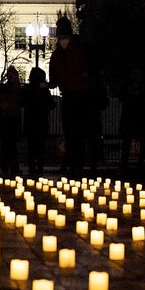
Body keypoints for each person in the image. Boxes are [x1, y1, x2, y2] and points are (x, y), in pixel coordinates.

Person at [48, 17, 100, 176]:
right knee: (71, 134)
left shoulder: (81, 50)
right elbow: (54, 78)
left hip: (84, 95)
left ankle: (89, 165)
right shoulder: (57, 55)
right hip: (69, 95)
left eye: (64, 37)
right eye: (60, 38)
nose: (62, 40)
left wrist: (88, 78)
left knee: (87, 133)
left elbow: (93, 68)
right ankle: (75, 165)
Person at [24, 67, 56, 175]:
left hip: (31, 122)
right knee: (39, 147)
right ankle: (39, 167)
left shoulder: (28, 89)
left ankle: (33, 168)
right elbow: (51, 104)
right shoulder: (42, 90)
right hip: (40, 122)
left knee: (32, 147)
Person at [117, 68, 145, 173]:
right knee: (126, 144)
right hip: (129, 119)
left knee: (143, 144)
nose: (137, 76)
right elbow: (121, 97)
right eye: (135, 74)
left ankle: (140, 165)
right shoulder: (127, 86)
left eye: (139, 74)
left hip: (140, 119)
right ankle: (124, 166)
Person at [0, 65, 24, 173]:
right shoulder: (12, 88)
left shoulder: (14, 89)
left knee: (9, 145)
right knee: (8, 145)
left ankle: (9, 167)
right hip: (9, 119)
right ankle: (9, 167)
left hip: (10, 119)